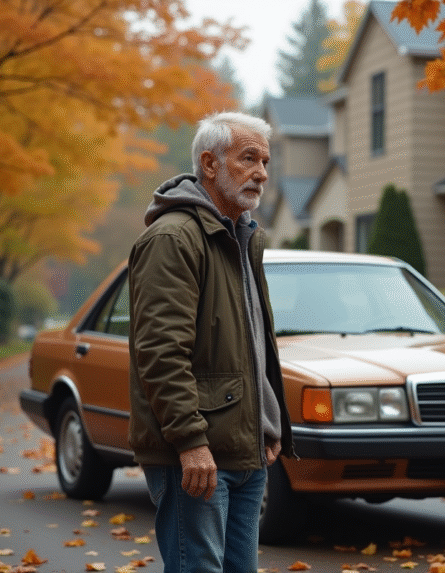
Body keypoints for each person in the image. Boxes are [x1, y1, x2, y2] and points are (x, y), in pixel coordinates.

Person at [127, 111, 293, 573]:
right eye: (248, 159)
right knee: (197, 567)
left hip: (246, 448)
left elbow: (252, 344)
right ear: (210, 163)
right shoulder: (174, 238)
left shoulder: (244, 238)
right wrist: (190, 442)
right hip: (197, 453)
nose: (261, 173)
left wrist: (268, 422)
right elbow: (161, 354)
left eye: (265, 161)